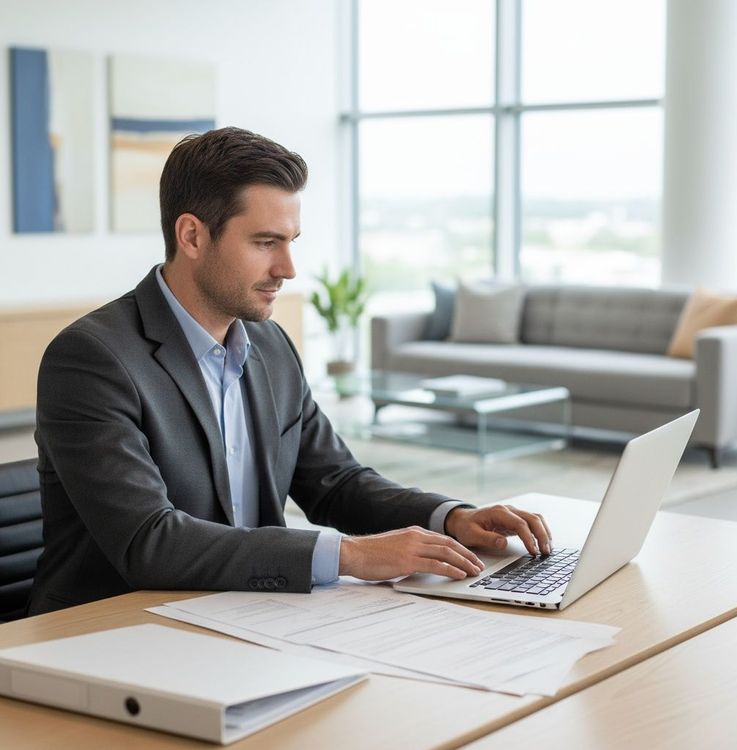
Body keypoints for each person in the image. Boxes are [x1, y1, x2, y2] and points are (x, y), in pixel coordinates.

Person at [28, 127, 551, 615]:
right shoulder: (92, 359)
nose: (288, 269)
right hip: (116, 628)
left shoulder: (269, 343)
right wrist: (350, 555)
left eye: (290, 242)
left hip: (246, 612)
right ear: (191, 235)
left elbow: (335, 482)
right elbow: (151, 541)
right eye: (264, 243)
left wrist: (451, 518)